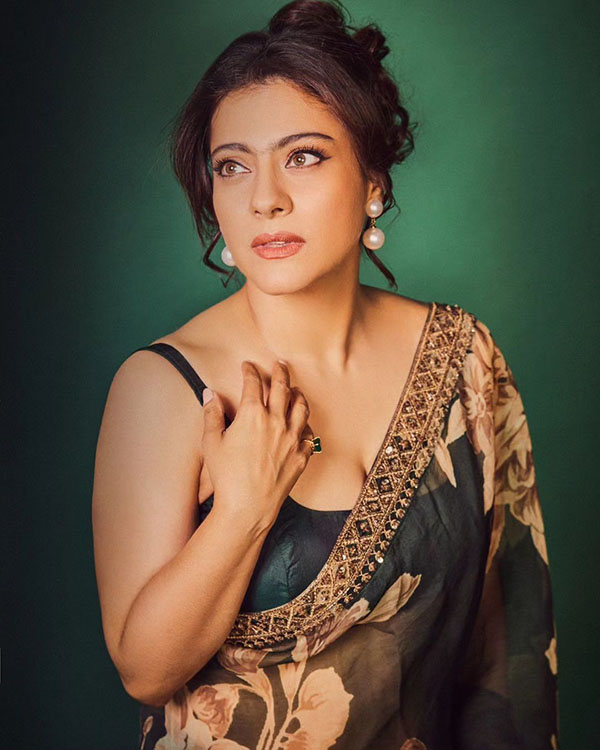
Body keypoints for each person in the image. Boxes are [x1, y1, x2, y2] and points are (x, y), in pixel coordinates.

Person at [91, 1, 559, 748]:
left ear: (373, 180)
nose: (265, 198)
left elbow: (505, 647)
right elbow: (145, 672)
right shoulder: (165, 386)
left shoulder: (461, 357)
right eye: (232, 166)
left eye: (303, 156)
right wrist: (245, 510)